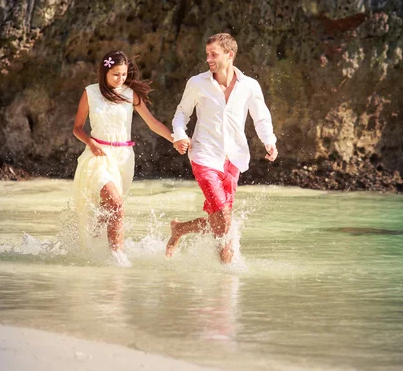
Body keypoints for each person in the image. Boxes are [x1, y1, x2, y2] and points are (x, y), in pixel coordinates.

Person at [167, 33, 278, 263]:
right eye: (207, 54)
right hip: (203, 156)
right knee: (225, 217)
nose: (208, 58)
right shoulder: (197, 83)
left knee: (222, 220)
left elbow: (261, 117)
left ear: (230, 55)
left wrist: (269, 141)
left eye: (213, 54)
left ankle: (182, 230)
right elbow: (181, 114)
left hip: (234, 159)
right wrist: (180, 135)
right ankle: (227, 272)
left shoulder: (250, 86)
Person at [73, 50, 173, 267]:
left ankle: (96, 252)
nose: (120, 79)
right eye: (115, 75)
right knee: (117, 205)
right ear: (104, 72)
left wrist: (175, 139)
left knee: (107, 211)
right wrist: (91, 142)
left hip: (124, 158)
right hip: (98, 155)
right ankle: (118, 256)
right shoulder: (90, 93)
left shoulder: (130, 94)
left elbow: (152, 123)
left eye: (124, 74)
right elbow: (77, 128)